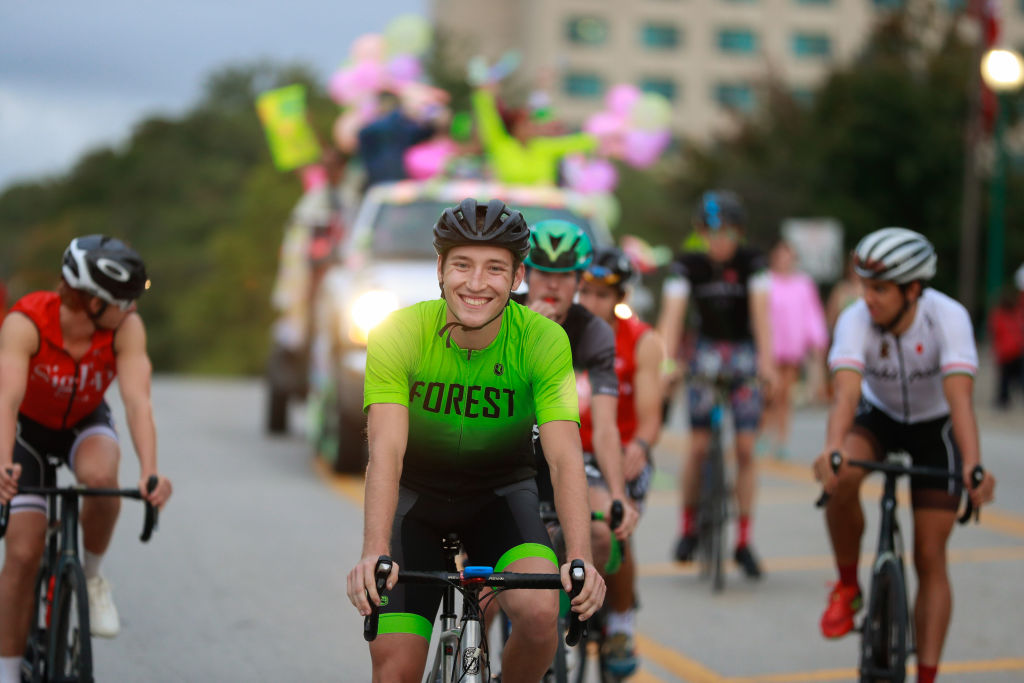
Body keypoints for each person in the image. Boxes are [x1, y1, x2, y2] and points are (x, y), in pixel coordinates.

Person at [345, 199, 605, 683]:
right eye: (462, 264)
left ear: (518, 276)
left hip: (500, 497)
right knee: (395, 671)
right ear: (440, 268)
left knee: (541, 614)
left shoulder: (544, 340)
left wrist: (580, 558)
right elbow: (385, 451)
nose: (476, 283)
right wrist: (374, 550)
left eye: (495, 269)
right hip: (415, 504)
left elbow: (565, 457)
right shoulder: (399, 333)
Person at [813, 227, 996, 683]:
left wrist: (974, 465)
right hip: (880, 416)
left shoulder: (947, 317)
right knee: (843, 475)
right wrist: (833, 450)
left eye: (880, 289)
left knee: (930, 556)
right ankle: (848, 585)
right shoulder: (856, 319)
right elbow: (846, 395)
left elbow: (960, 401)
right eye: (863, 287)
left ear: (913, 289)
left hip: (936, 426)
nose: (868, 298)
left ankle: (928, 675)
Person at [0, 235, 173, 683]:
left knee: (101, 479)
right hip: (26, 432)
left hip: (84, 422)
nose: (132, 309)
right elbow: (6, 398)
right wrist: (3, 466)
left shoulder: (125, 328)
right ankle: (6, 672)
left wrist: (150, 471)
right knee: (22, 552)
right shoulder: (26, 322)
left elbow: (137, 402)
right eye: (125, 300)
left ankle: (92, 578)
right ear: (94, 301)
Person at [657, 190, 776, 579]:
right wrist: (667, 362)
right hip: (706, 352)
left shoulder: (752, 263)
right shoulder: (687, 264)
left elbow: (761, 315)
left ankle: (743, 540)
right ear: (699, 233)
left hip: (743, 352)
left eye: (725, 231)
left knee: (744, 448)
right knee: (698, 446)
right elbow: (672, 316)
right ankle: (688, 526)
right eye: (710, 232)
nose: (718, 239)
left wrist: (768, 364)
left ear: (739, 232)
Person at [515, 220, 640, 566]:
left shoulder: (594, 331)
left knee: (601, 535)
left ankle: (591, 619)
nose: (553, 283)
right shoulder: (505, 316)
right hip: (508, 455)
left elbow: (604, 427)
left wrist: (617, 494)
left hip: (571, 454)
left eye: (565, 274)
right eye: (542, 272)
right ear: (525, 274)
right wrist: (530, 337)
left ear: (579, 280)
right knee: (487, 586)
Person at [577, 246, 665, 679]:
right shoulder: (561, 330)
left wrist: (641, 447)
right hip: (567, 452)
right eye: (586, 292)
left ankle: (621, 623)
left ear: (620, 295)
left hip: (621, 453)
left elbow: (650, 419)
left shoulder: (642, 341)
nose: (592, 303)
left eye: (603, 294)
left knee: (614, 524)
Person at [759, 239, 828, 458]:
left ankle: (782, 439)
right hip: (769, 346)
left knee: (785, 396)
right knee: (768, 393)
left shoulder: (803, 284)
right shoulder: (765, 281)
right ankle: (763, 434)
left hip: (792, 347)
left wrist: (817, 341)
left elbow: (812, 314)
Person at [356, 91, 436, 190]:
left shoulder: (370, 129)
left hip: (387, 181)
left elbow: (424, 133)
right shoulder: (392, 125)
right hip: (389, 181)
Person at [988, 288, 1024, 409]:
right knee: (1014, 377)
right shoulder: (1016, 314)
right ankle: (1004, 398)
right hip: (1015, 350)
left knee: (1004, 378)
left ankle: (1003, 399)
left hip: (1005, 351)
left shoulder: (998, 315)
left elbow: (995, 332)